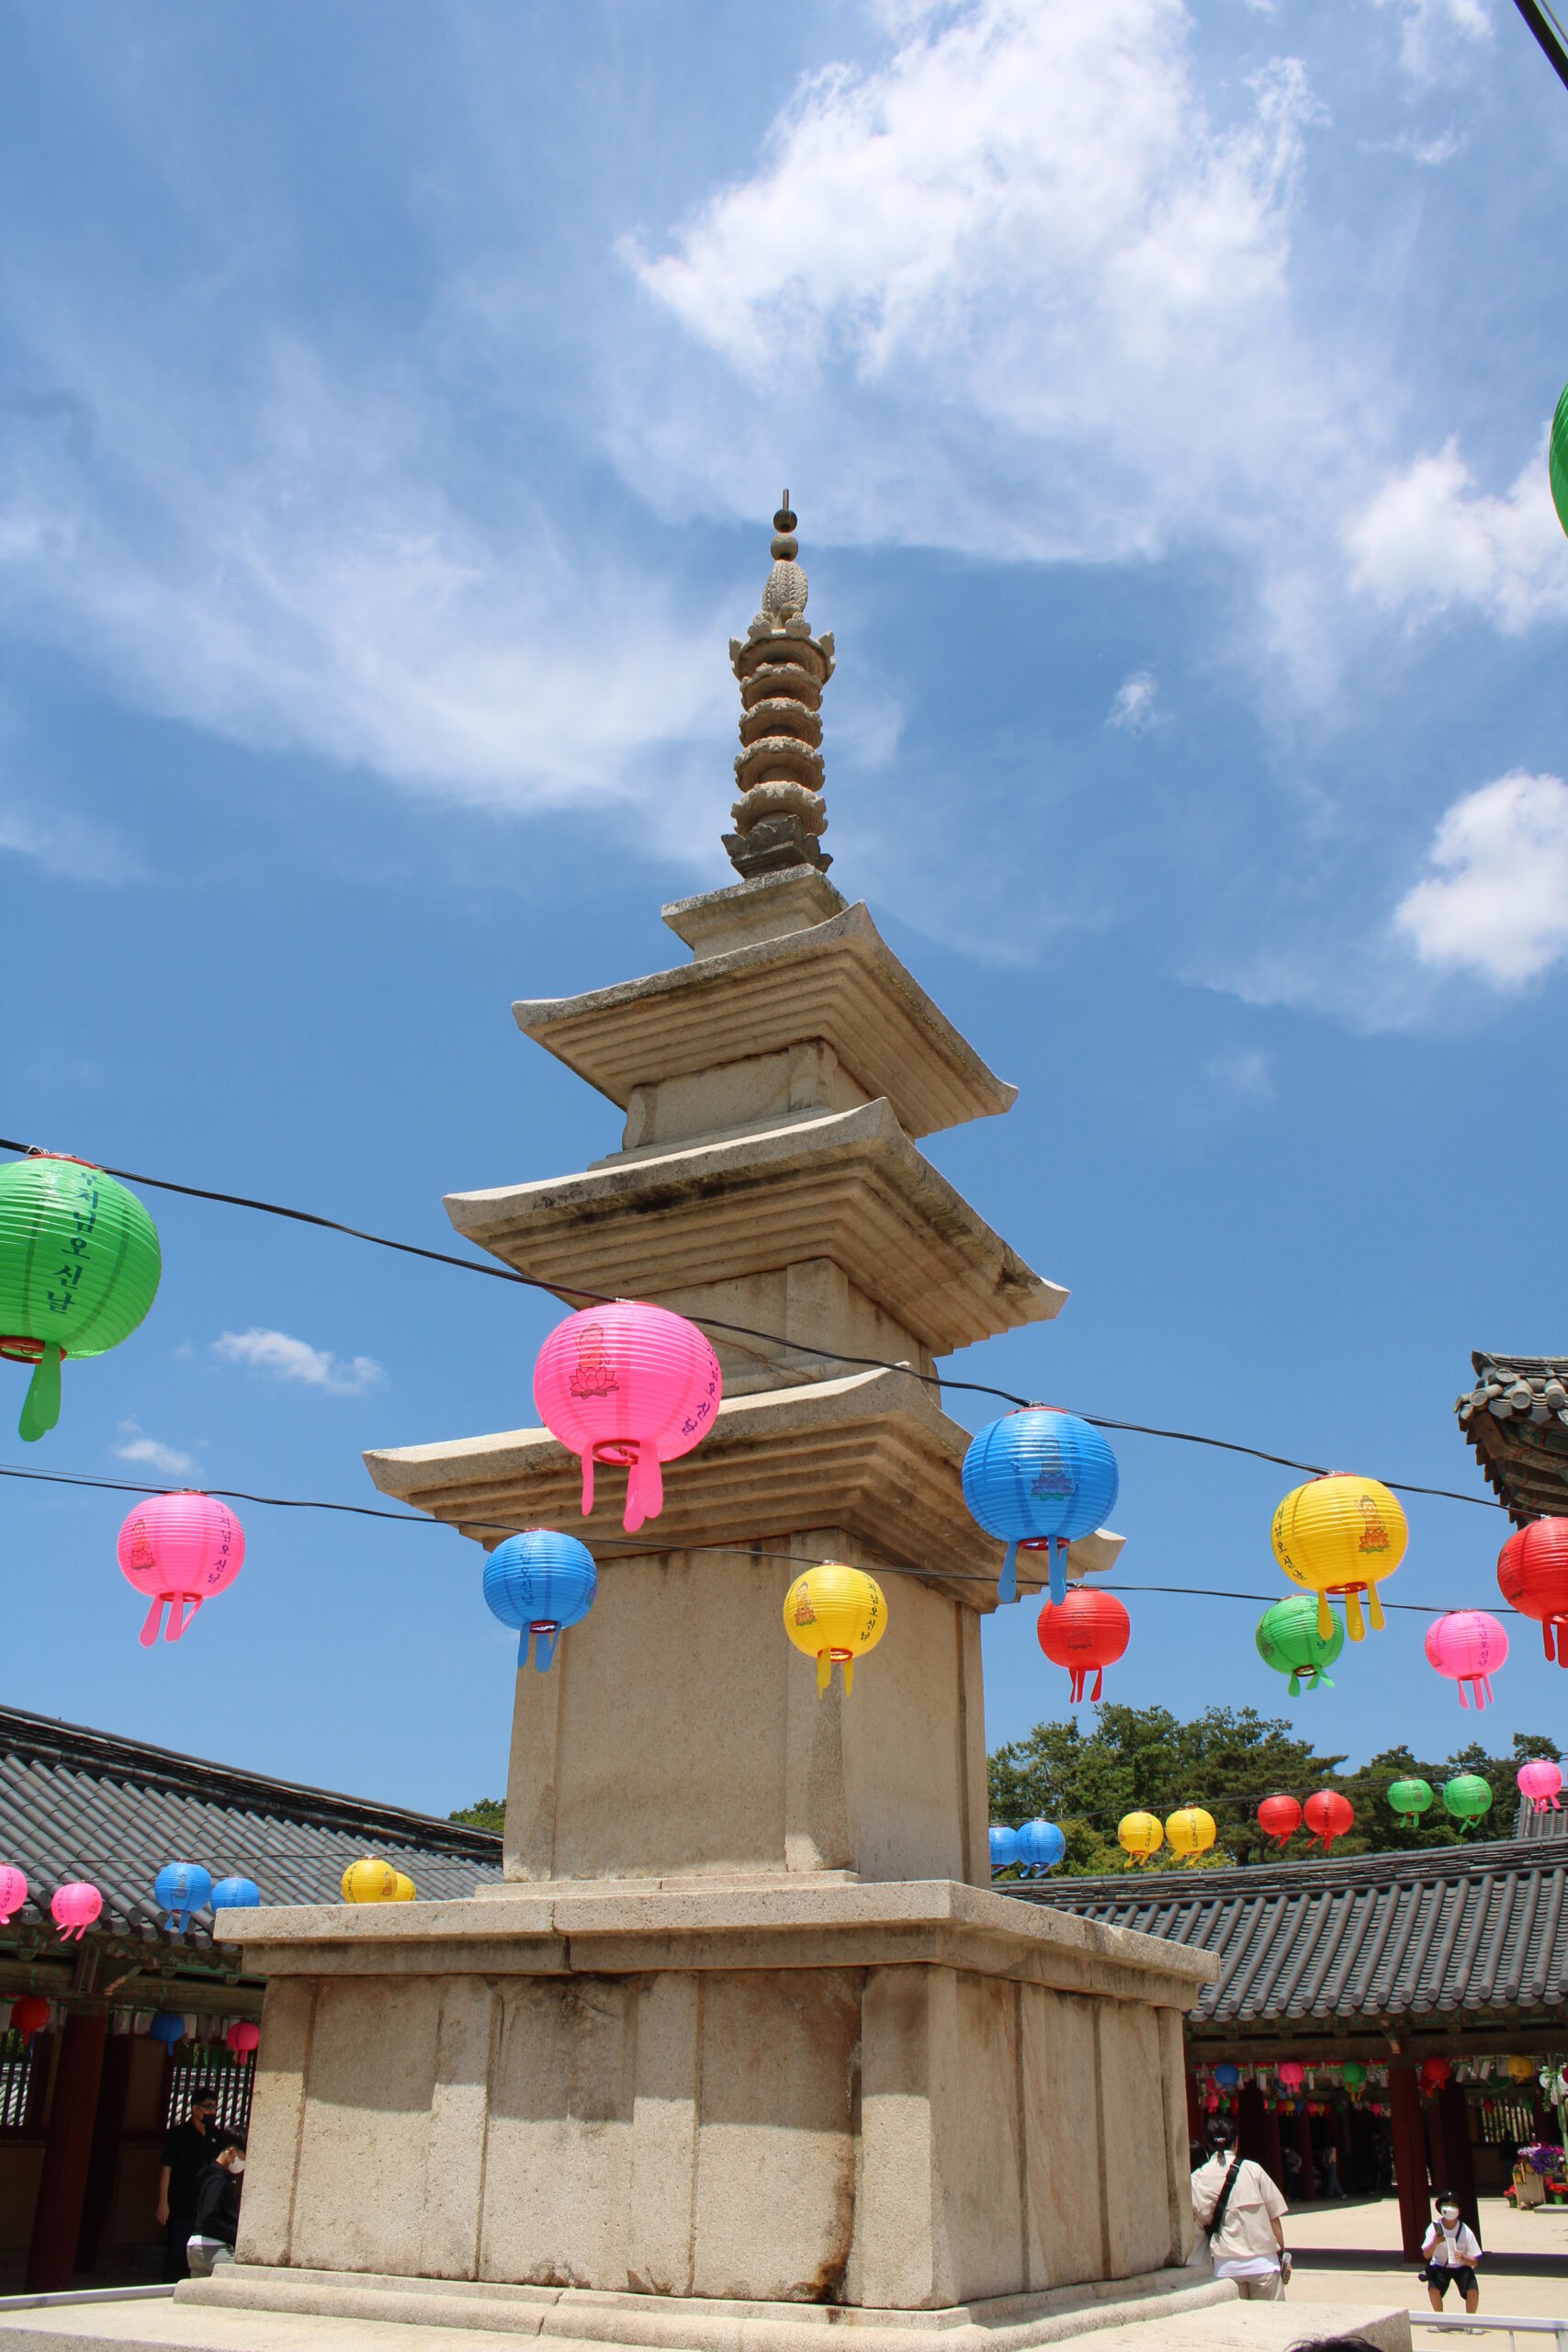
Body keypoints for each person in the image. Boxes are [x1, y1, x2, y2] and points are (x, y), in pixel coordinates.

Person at [1191, 2113, 1290, 2301]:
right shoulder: (1254, 2170)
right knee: (1271, 2326)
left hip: (1226, 2267)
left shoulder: (1197, 2178)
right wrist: (1284, 2254)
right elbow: (1273, 2217)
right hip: (1264, 2265)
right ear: (1236, 2141)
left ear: (1209, 2145)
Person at [157, 2088, 219, 2282]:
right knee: (176, 2248)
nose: (212, 2111)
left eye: (215, 2107)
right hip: (181, 2201)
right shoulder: (178, 2135)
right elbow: (167, 2169)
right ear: (195, 2109)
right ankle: (167, 2287)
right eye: (208, 2107)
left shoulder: (216, 2136)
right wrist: (163, 2203)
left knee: (202, 2251)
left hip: (205, 2206)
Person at [186, 2130, 246, 2278]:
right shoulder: (218, 2180)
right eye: (242, 2158)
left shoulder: (207, 2173)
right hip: (212, 2247)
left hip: (195, 2247)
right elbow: (209, 2216)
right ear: (231, 2152)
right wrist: (236, 2233)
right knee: (245, 2279)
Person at [1420, 2192, 1482, 2314]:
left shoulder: (1465, 2230)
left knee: (1473, 2290)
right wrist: (1435, 2242)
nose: (1449, 2207)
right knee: (1433, 2288)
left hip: (1461, 2266)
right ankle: (1440, 2320)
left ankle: (1471, 2321)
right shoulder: (1434, 2228)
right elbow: (1426, 2255)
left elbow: (1475, 2261)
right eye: (1446, 2204)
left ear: (1459, 2210)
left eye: (1453, 2205)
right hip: (1440, 2265)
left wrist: (1464, 2258)